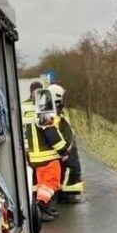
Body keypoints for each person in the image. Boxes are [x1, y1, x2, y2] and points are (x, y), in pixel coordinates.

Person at [26, 91, 69, 222]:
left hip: (36, 158)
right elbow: (51, 135)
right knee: (51, 182)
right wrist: (63, 150)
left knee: (42, 184)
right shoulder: (43, 113)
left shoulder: (30, 113)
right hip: (48, 157)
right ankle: (41, 206)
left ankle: (44, 208)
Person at [48, 84, 84, 203]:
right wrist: (64, 149)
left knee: (71, 170)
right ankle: (66, 195)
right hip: (64, 149)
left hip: (68, 147)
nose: (64, 100)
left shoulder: (58, 110)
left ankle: (68, 194)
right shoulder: (52, 114)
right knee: (68, 171)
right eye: (62, 97)